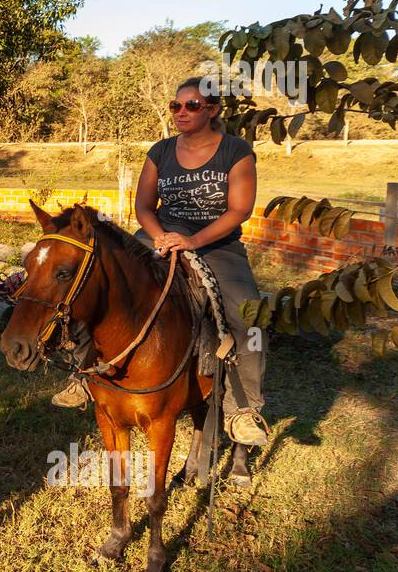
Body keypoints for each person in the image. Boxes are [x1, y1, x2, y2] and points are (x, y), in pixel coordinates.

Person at [50, 77, 269, 447]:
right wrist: (157, 236)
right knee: (102, 283)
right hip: (158, 237)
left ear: (213, 110)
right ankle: (83, 377)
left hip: (216, 243)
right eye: (176, 106)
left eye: (192, 106)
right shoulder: (161, 151)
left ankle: (243, 410)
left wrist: (193, 240)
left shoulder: (236, 151)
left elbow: (239, 210)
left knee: (248, 314)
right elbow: (143, 206)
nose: (181, 112)